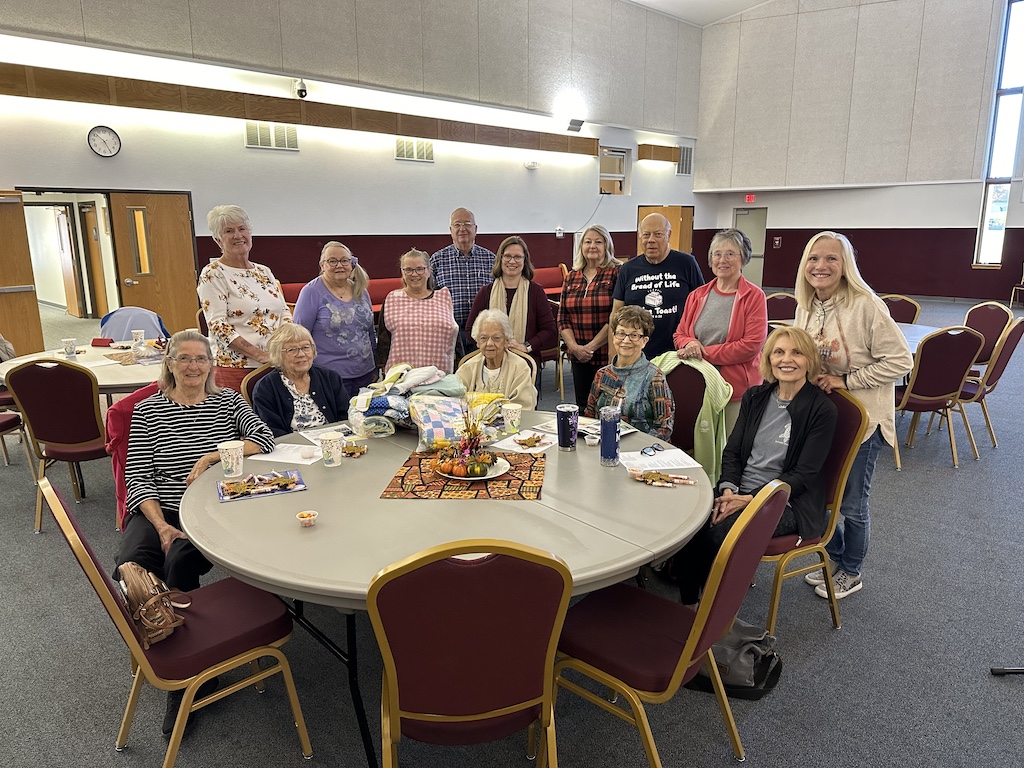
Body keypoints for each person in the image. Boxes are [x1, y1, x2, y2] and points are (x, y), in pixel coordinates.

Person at [673, 327, 838, 606]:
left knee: (715, 538)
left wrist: (748, 500)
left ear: (810, 359)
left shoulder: (821, 409)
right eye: (779, 352)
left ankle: (704, 617)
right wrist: (727, 490)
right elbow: (734, 451)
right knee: (686, 522)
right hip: (739, 490)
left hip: (786, 501)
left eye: (797, 352)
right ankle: (689, 606)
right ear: (769, 359)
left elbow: (803, 476)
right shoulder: (756, 396)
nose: (787, 359)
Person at [794, 231, 912, 600]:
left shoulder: (866, 305)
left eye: (832, 258)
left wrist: (849, 380)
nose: (821, 266)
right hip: (822, 419)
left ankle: (851, 570)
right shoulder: (807, 304)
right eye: (814, 259)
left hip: (864, 421)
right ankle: (837, 555)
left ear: (846, 265)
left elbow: (901, 361)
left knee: (851, 504)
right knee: (817, 494)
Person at [673, 228, 767, 433]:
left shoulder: (754, 296)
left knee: (730, 450)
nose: (722, 260)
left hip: (735, 390)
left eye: (730, 254)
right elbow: (679, 334)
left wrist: (703, 353)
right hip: (698, 383)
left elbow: (751, 346)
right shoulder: (697, 295)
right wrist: (689, 343)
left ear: (743, 259)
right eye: (717, 254)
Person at [198, 205, 291, 392]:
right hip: (237, 368)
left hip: (276, 365)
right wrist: (260, 355)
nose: (237, 235)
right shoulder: (213, 273)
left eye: (242, 229)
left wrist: (285, 349)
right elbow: (218, 326)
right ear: (218, 240)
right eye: (228, 231)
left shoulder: (264, 271)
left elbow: (284, 311)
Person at [611, 213, 704, 358]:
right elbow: (616, 312)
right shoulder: (628, 269)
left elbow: (702, 306)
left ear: (669, 235)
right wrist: (614, 355)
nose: (651, 240)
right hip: (637, 353)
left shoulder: (687, 263)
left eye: (658, 234)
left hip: (678, 353)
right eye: (646, 235)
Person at [292, 241, 377, 394]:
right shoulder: (311, 292)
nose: (339, 265)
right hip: (330, 377)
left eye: (344, 260)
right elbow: (299, 336)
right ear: (322, 265)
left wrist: (375, 365)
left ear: (351, 264)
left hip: (365, 373)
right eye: (332, 261)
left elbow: (369, 331)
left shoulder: (361, 290)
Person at [465, 236, 557, 373]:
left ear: (525, 260)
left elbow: (549, 330)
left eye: (518, 257)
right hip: (491, 364)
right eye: (507, 256)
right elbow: (470, 330)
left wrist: (525, 346)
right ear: (500, 259)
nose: (512, 261)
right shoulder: (486, 292)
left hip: (525, 363)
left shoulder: (536, 292)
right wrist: (491, 346)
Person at [585, 305, 674, 441]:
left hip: (642, 453)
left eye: (634, 335)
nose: (626, 340)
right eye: (621, 333)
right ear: (613, 336)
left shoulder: (654, 377)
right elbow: (589, 416)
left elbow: (664, 428)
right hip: (602, 446)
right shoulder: (602, 374)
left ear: (644, 341)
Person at [558, 225, 620, 408]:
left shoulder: (617, 272)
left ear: (607, 246)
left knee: (606, 405)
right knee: (583, 405)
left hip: (605, 354)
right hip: (578, 356)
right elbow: (562, 317)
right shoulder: (571, 277)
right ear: (581, 246)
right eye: (588, 242)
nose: (592, 246)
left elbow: (617, 317)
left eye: (598, 242)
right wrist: (574, 347)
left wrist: (590, 347)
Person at [252, 324, 349, 437]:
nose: (301, 354)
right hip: (290, 449)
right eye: (292, 350)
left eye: (306, 347)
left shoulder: (330, 377)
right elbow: (271, 431)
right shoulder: (265, 388)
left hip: (333, 441)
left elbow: (345, 417)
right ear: (278, 354)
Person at [376, 249, 460, 374]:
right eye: (408, 270)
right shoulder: (392, 299)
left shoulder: (444, 297)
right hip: (401, 374)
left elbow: (453, 334)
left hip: (438, 373)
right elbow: (383, 337)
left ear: (428, 271)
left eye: (420, 269)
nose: (414, 274)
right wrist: (382, 364)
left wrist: (459, 364)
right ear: (402, 272)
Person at [429, 207, 496, 355]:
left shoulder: (490, 259)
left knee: (481, 375)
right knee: (454, 375)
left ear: (475, 228)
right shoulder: (437, 260)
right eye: (457, 224)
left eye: (467, 224)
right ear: (450, 229)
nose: (462, 229)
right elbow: (429, 296)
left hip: (483, 333)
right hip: (450, 333)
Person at [456, 309, 537, 409]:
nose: (489, 343)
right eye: (483, 338)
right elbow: (455, 403)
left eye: (496, 338)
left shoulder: (520, 368)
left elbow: (524, 408)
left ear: (507, 341)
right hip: (473, 424)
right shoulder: (467, 367)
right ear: (477, 342)